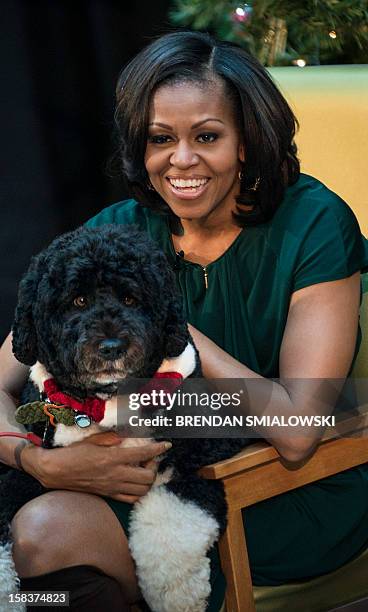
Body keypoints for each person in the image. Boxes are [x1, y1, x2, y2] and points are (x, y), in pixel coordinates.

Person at [1, 30, 368, 611]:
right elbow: (6, 371)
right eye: (159, 139)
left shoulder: (314, 224)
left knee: (46, 534)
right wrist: (39, 460)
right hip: (141, 473)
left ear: (246, 142)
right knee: (37, 555)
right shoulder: (116, 229)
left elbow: (302, 429)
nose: (181, 160)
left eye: (207, 137)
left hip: (276, 485)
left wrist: (173, 325)